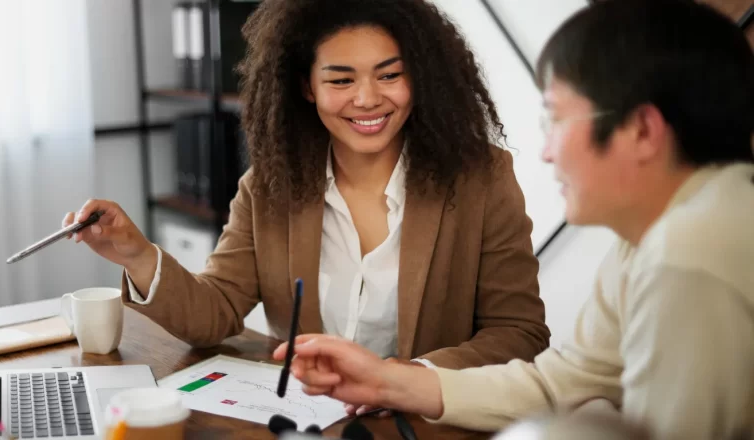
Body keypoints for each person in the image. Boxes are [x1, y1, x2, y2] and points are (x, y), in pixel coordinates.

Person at [274, 0, 754, 439]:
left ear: (642, 130)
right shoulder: (659, 235)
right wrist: (385, 381)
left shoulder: (688, 256)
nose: (545, 152)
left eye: (556, 120)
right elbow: (564, 383)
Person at [64, 0, 549, 390]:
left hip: (423, 423)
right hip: (311, 418)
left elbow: (519, 331)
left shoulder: (481, 177)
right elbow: (216, 311)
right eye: (341, 79)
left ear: (418, 78)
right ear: (307, 87)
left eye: (389, 75)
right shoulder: (270, 187)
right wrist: (136, 253)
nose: (367, 99)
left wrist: (403, 379)